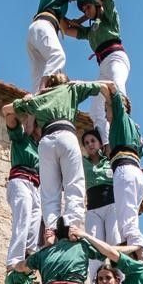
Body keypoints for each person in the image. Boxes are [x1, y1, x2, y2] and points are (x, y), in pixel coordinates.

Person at [11, 77, 102, 238]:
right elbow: (97, 86)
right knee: (74, 184)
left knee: (49, 190)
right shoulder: (70, 89)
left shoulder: (40, 97)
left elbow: (16, 108)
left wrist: (29, 98)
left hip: (46, 142)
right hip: (66, 134)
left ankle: (50, 229)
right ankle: (72, 225)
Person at [63, 0, 130, 145]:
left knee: (118, 91)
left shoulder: (109, 19)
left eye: (88, 7)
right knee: (95, 109)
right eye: (83, 9)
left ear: (96, 5)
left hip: (115, 58)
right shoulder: (90, 32)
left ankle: (127, 132)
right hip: (103, 66)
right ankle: (107, 144)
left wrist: (83, 17)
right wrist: (79, 20)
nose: (86, 11)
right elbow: (66, 29)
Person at [25, 0, 101, 92]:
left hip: (34, 30)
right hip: (44, 25)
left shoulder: (51, 0)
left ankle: (36, 95)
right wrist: (99, 1)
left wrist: (78, 21)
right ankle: (42, 90)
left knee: (39, 71)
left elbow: (64, 24)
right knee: (57, 55)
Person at [98, 84, 143, 249]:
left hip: (124, 169)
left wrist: (95, 86)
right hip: (135, 171)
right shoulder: (135, 130)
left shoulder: (120, 118)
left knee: (126, 216)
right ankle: (131, 245)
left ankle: (138, 251)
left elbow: (111, 89)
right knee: (129, 215)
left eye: (106, 108)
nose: (105, 113)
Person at [0, 102, 41, 269]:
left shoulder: (42, 148)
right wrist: (24, 106)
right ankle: (14, 261)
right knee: (22, 219)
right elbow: (9, 117)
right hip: (21, 180)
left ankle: (30, 255)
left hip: (35, 185)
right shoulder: (21, 138)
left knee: (35, 220)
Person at [82, 131, 118, 250]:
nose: (90, 144)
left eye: (93, 141)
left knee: (114, 242)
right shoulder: (82, 163)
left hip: (111, 206)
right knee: (94, 246)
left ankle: (116, 269)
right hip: (92, 209)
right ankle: (96, 269)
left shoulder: (110, 162)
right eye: (86, 143)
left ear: (100, 143)